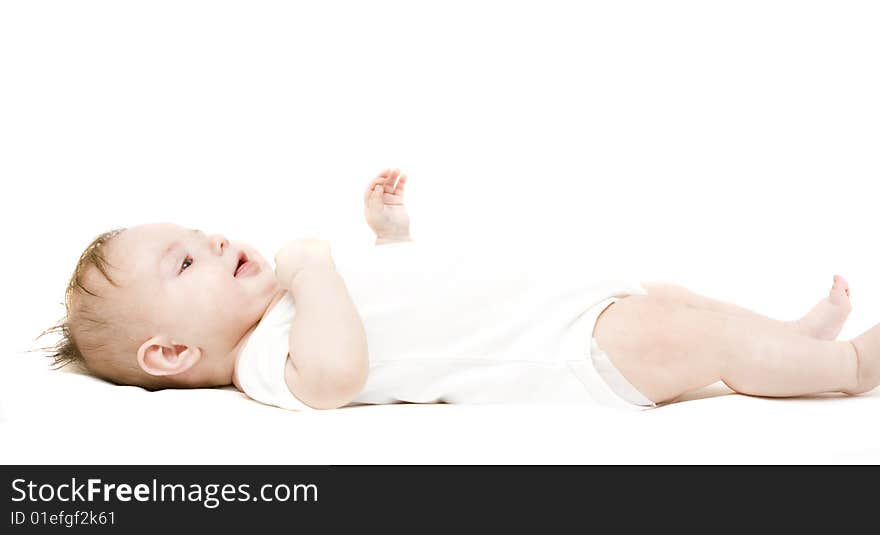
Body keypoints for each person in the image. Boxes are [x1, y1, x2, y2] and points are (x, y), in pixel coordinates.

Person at [39, 168, 879, 411]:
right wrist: (312, 265)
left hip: (565, 303)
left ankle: (792, 334)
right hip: (564, 354)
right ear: (173, 351)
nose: (214, 240)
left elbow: (401, 296)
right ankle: (843, 367)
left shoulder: (295, 300)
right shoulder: (267, 359)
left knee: (683, 299)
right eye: (184, 264)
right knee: (691, 337)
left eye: (200, 231)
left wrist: (387, 238)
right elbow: (337, 375)